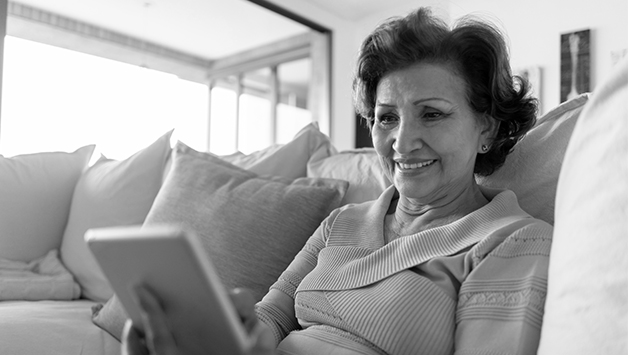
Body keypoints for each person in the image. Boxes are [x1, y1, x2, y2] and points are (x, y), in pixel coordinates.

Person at [123, 7, 552, 355]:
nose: (401, 141)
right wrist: (225, 336)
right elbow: (271, 316)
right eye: (387, 117)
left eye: (432, 113)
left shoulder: (514, 240)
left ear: (488, 130)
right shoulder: (342, 223)